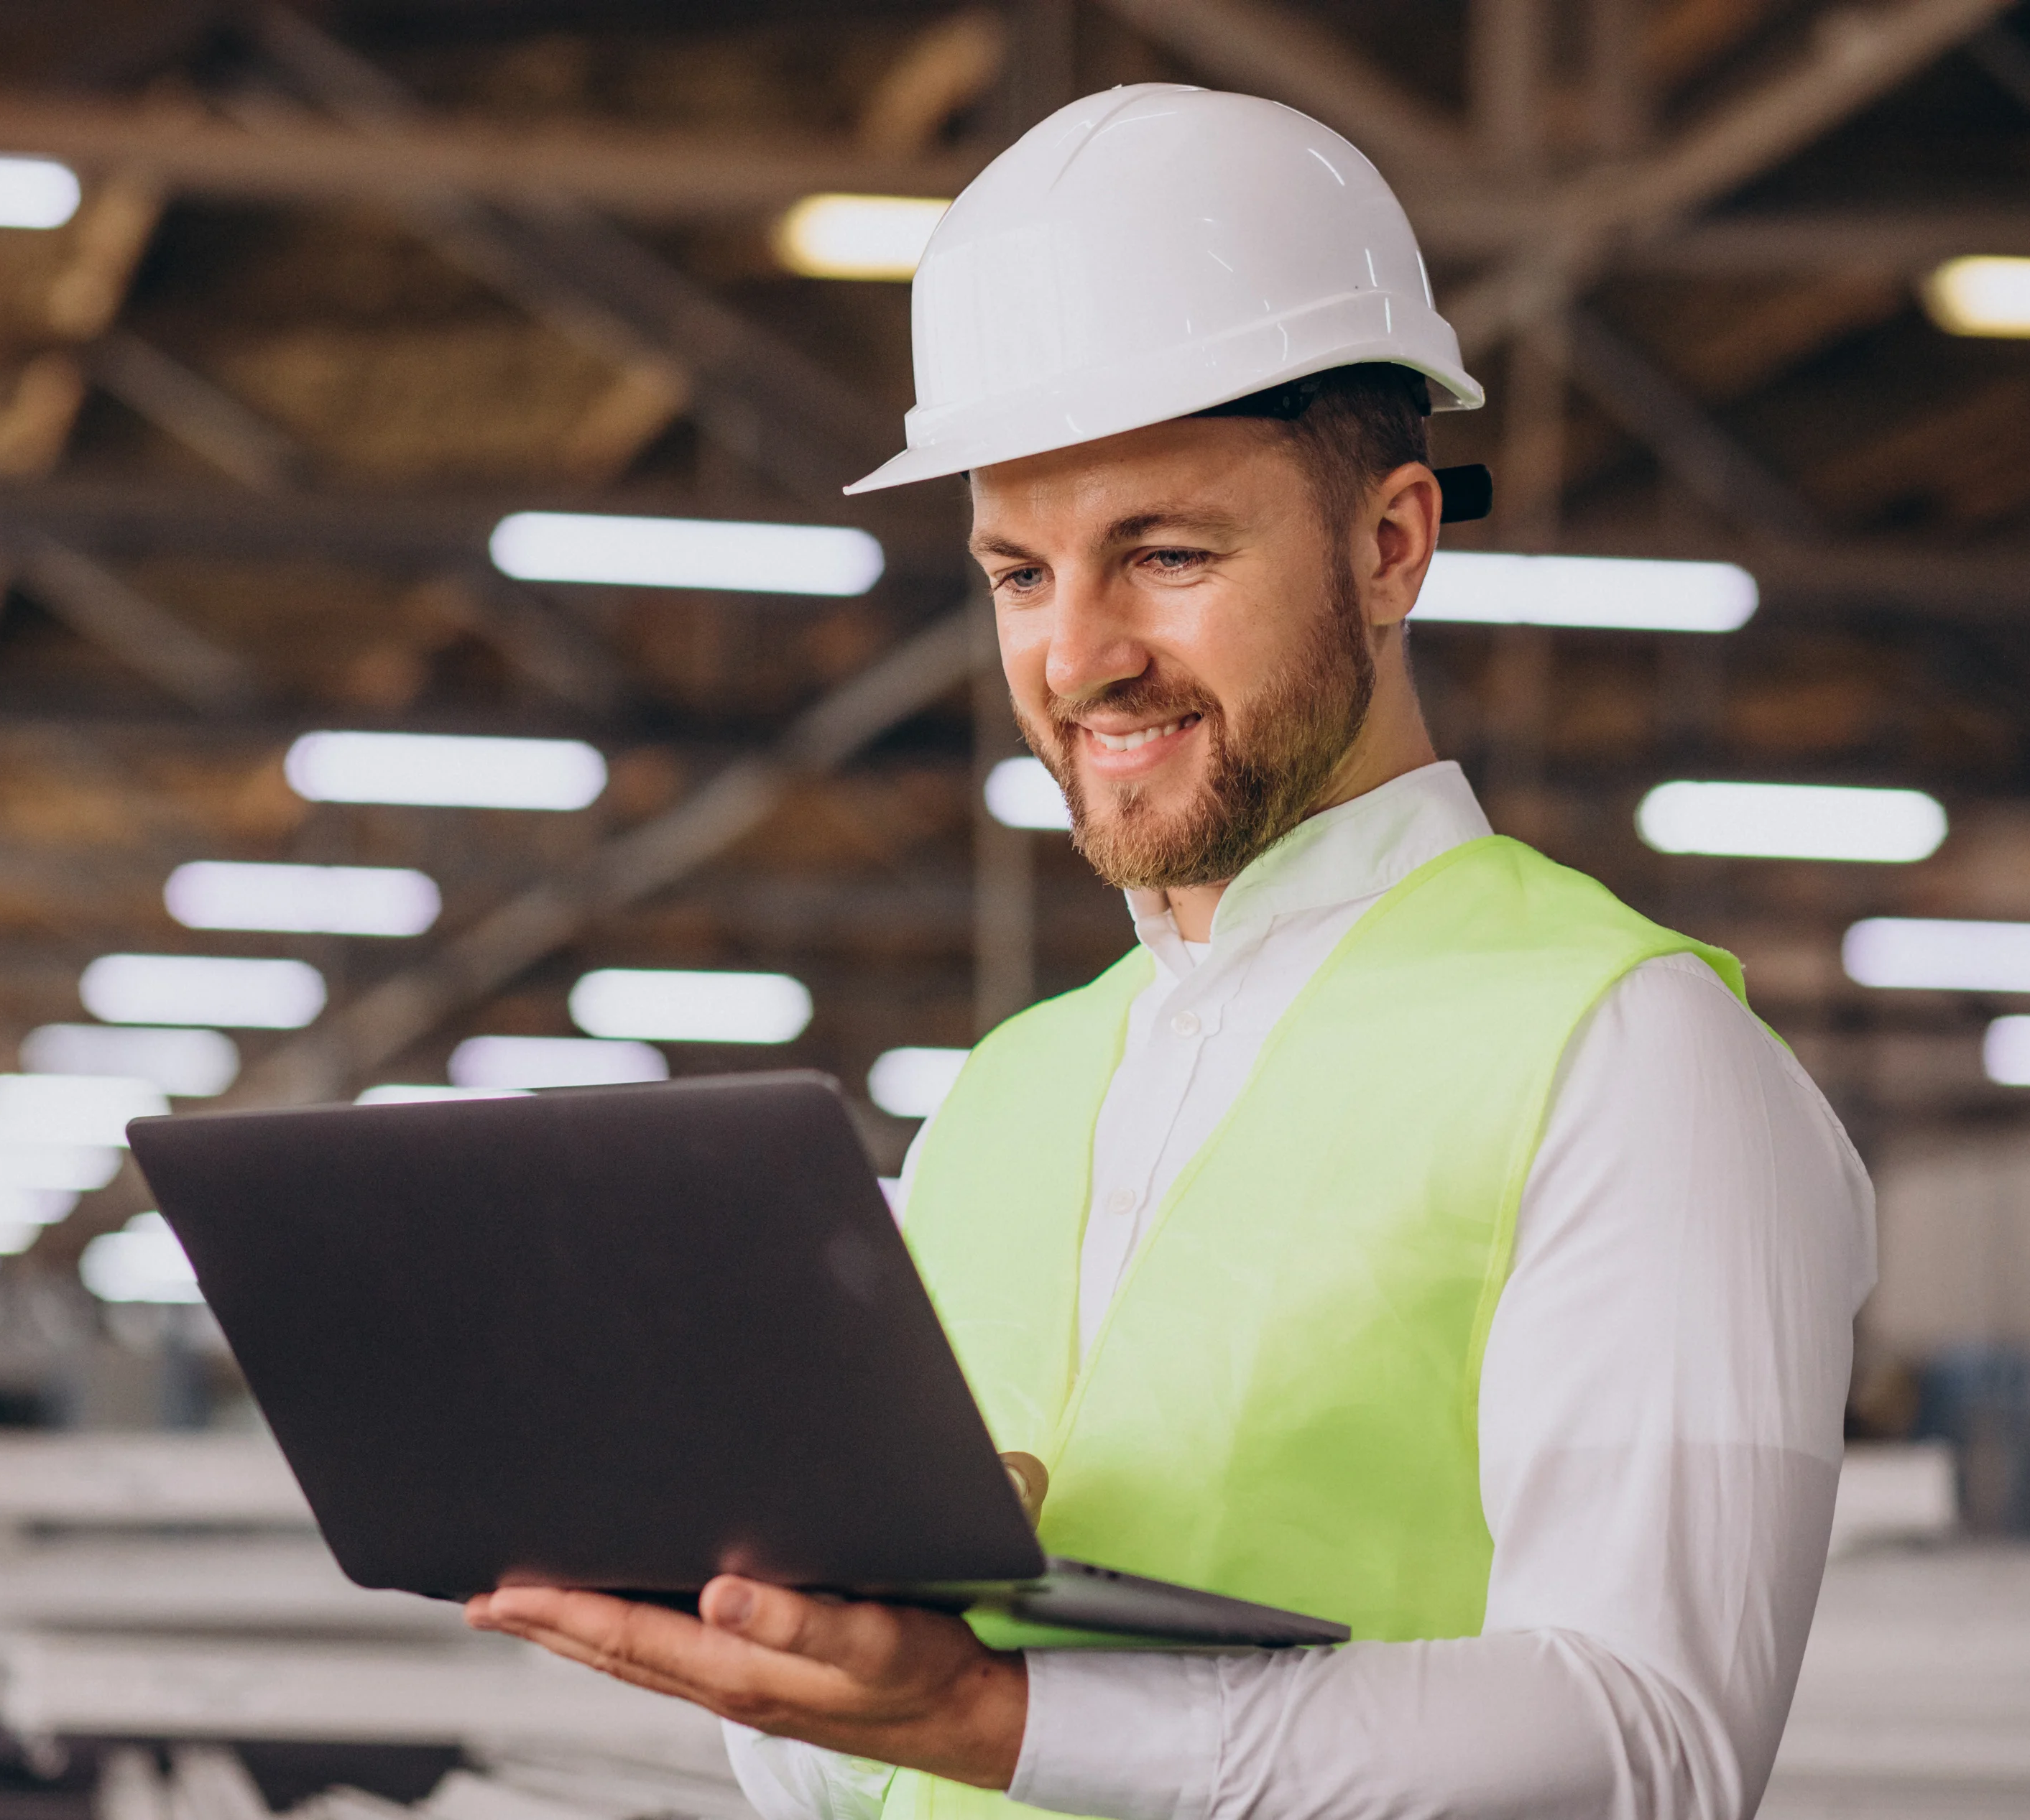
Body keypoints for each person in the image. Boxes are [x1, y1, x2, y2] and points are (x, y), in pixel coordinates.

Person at [466, 86, 1872, 1820]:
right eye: (1017, 574)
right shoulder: (1002, 1096)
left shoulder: (1627, 1056)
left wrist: (1002, 1717)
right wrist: (792, 1661)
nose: (1076, 657)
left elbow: (1649, 1741)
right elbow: (862, 1765)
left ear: (1390, 545)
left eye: (1166, 555)